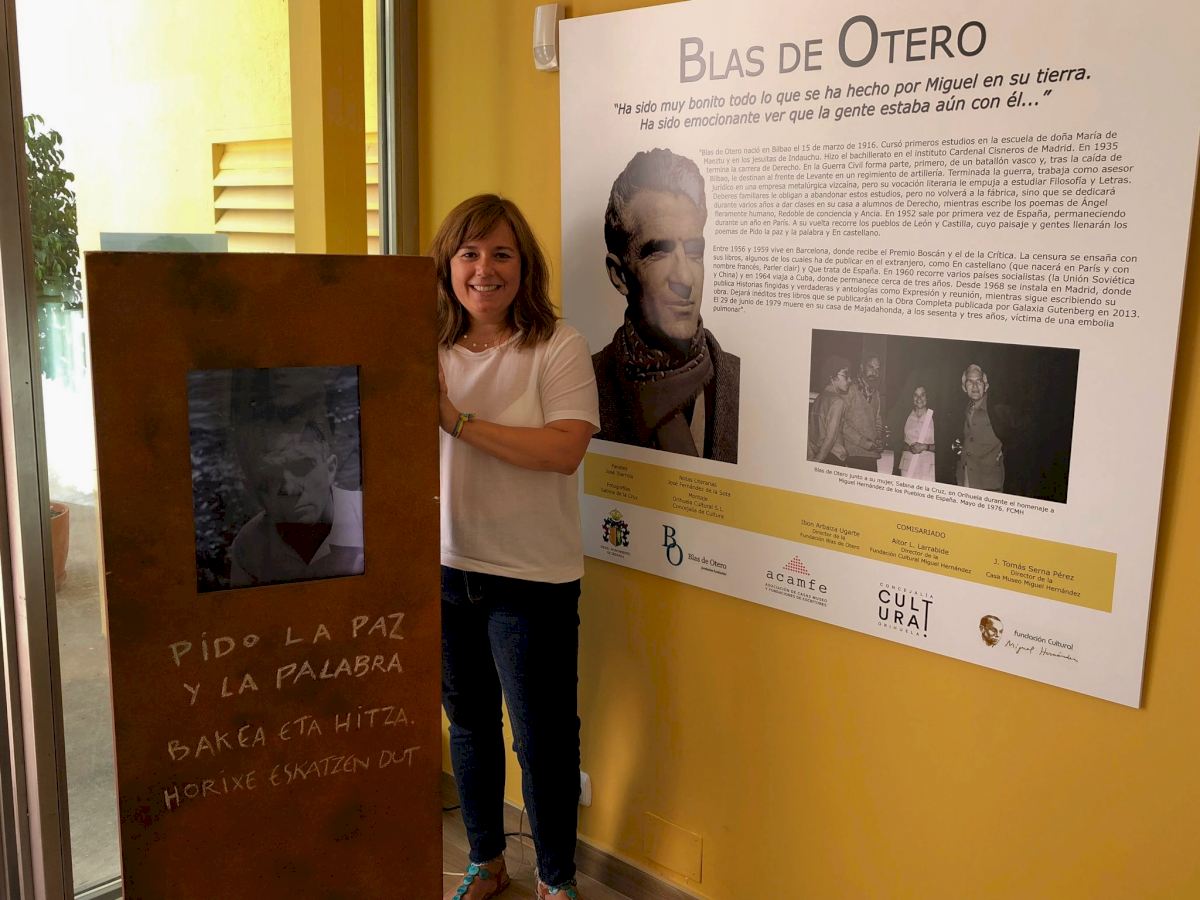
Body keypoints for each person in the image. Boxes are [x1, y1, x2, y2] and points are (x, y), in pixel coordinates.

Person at [434, 194, 599, 900]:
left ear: (523, 265)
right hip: (445, 569)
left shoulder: (557, 345)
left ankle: (556, 881)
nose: (484, 269)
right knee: (469, 727)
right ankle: (487, 861)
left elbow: (563, 450)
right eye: (469, 253)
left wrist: (456, 420)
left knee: (542, 739)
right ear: (447, 265)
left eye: (501, 253)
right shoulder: (424, 345)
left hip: (532, 578)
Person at [592, 148, 740, 462]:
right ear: (619, 275)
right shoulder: (586, 383)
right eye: (658, 252)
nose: (684, 277)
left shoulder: (739, 380)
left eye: (694, 252)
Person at [230, 417, 364, 587]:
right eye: (272, 477)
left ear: (330, 469)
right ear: (255, 490)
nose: (290, 489)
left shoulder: (372, 519)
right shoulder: (248, 548)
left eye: (301, 467)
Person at [952, 363, 1012, 491]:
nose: (974, 386)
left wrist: (1005, 452)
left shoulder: (997, 409)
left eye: (979, 381)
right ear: (964, 387)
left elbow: (1020, 432)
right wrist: (959, 453)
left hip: (989, 483)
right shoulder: (963, 409)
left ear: (986, 385)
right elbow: (956, 438)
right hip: (965, 478)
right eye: (970, 382)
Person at [842, 355, 883, 471]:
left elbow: (877, 420)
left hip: (871, 456)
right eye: (871, 367)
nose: (874, 372)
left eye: (877, 369)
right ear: (861, 367)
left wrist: (878, 438)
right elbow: (841, 422)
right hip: (851, 454)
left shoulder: (876, 394)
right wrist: (863, 442)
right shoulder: (849, 389)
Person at [807, 356, 850, 465]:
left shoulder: (819, 398)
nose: (849, 380)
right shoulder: (838, 402)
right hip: (832, 457)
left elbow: (810, 432)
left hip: (818, 454)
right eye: (845, 375)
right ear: (832, 376)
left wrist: (812, 456)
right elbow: (831, 438)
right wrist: (817, 461)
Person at [897, 385, 936, 481]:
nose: (919, 398)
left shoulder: (936, 417)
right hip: (907, 466)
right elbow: (897, 442)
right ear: (912, 397)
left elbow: (943, 446)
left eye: (922, 395)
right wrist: (909, 448)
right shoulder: (904, 416)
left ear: (927, 397)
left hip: (928, 467)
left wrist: (925, 447)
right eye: (916, 395)